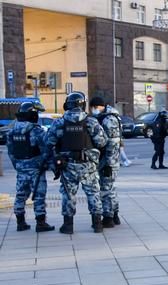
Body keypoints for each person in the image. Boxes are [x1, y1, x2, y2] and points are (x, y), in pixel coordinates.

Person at [44, 91, 108, 234]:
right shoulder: (91, 121)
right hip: (88, 166)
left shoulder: (59, 123)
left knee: (68, 194)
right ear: (83, 104)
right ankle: (97, 224)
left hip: (67, 165)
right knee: (93, 193)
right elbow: (102, 141)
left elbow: (48, 142)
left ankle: (68, 225)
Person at [7, 101, 54, 232]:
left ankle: (20, 222)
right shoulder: (36, 131)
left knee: (20, 194)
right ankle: (40, 222)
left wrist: (18, 165)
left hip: (21, 168)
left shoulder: (12, 131)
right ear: (32, 115)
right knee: (39, 195)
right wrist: (50, 165)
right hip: (36, 169)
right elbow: (46, 150)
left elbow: (11, 152)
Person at [89, 96, 123, 227]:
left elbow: (112, 144)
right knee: (110, 188)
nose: (92, 111)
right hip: (109, 159)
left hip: (108, 160)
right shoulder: (109, 117)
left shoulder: (108, 119)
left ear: (97, 106)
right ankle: (114, 215)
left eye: (93, 108)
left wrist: (108, 163)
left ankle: (108, 218)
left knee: (106, 188)